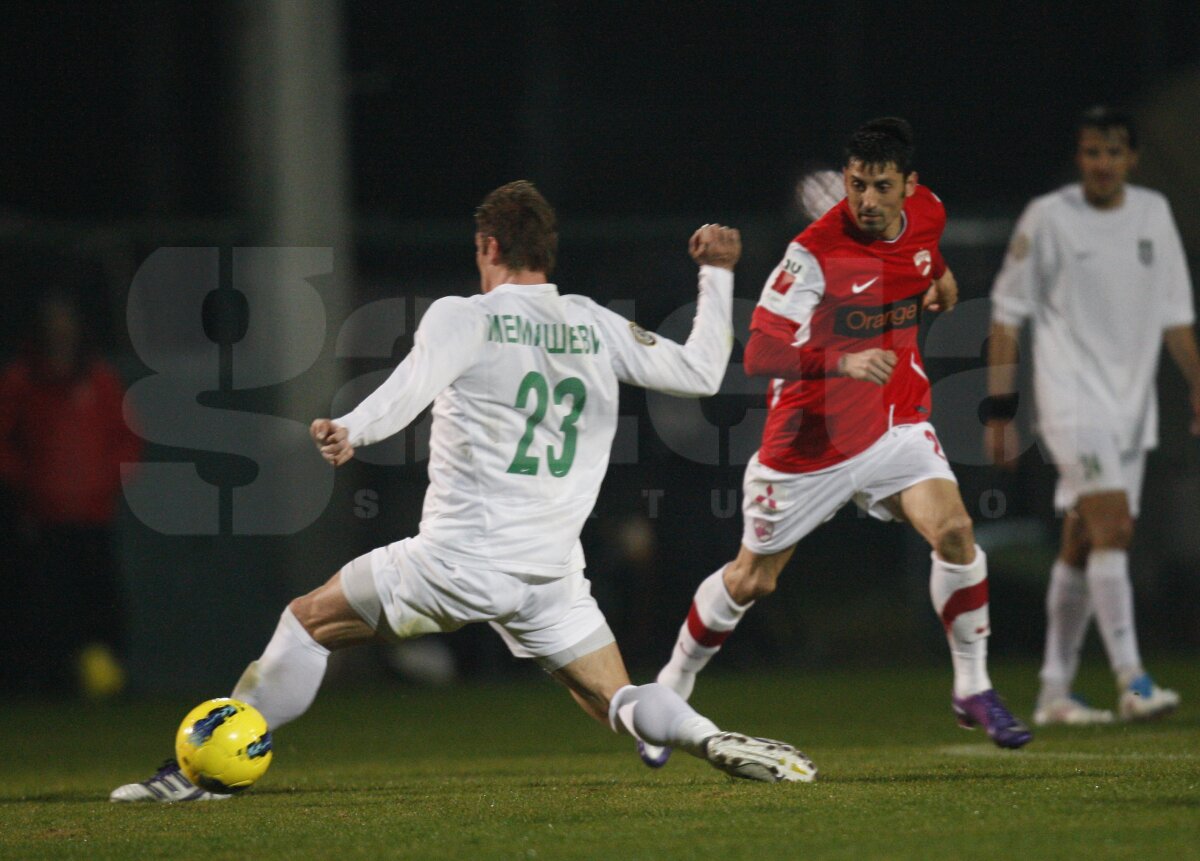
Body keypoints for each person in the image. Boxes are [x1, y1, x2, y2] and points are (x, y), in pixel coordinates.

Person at [111, 181, 816, 802]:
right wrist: (719, 273)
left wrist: (352, 427)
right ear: (548, 251)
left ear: (487, 244)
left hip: (454, 559)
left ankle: (197, 775)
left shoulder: (466, 315)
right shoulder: (592, 322)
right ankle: (711, 736)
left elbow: (409, 386)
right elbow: (698, 371)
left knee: (306, 622)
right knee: (614, 697)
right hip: (549, 573)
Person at [639, 118, 1032, 771]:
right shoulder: (813, 253)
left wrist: (939, 279)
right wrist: (843, 363)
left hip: (894, 423)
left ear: (909, 186)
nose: (868, 200)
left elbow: (924, 256)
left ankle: (972, 687)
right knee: (751, 579)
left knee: (957, 532)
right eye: (856, 185)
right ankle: (670, 688)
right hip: (806, 444)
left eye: (881, 186)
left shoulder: (928, 213)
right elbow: (761, 348)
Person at [985, 106, 1199, 726]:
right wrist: (1000, 410)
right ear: (1078, 159)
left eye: (1112, 152)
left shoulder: (1153, 214)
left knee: (1085, 540)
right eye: (1090, 152)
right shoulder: (1048, 218)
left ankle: (1054, 690)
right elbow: (1005, 316)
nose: (1101, 163)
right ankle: (1133, 679)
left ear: (1131, 158)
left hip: (1133, 408)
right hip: (1071, 399)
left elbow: (1176, 313)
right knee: (1115, 529)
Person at [0, 292, 141, 697]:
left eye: (66, 323)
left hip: (95, 516)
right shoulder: (20, 380)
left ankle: (111, 681)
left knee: (103, 600)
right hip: (40, 518)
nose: (60, 332)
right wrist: (27, 486)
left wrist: (105, 483)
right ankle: (48, 683)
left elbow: (126, 437)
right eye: (52, 323)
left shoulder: (99, 379)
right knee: (44, 605)